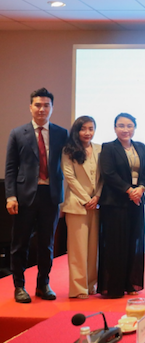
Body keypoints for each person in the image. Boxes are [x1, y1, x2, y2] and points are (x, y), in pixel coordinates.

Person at [5, 88, 68, 303]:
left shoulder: (61, 133)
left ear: (52, 108)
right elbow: (11, 168)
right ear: (30, 107)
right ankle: (19, 286)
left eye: (46, 105)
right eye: (38, 105)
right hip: (24, 197)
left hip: (50, 195)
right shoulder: (17, 133)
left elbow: (72, 161)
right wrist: (10, 196)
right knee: (20, 243)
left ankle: (43, 284)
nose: (42, 109)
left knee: (47, 244)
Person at [98, 113, 145, 298]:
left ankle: (130, 282)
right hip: (115, 203)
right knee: (115, 245)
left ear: (134, 128)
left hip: (136, 202)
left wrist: (141, 188)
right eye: (121, 126)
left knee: (133, 242)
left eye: (129, 126)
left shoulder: (140, 147)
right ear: (115, 128)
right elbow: (109, 174)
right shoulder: (108, 147)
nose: (125, 129)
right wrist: (129, 190)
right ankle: (114, 286)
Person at [61, 116, 102, 299]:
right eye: (83, 129)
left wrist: (97, 196)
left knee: (93, 249)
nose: (87, 133)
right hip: (77, 204)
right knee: (78, 249)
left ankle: (91, 284)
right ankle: (78, 288)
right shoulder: (68, 150)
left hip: (96, 204)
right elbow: (70, 177)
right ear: (76, 131)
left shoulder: (100, 149)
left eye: (91, 129)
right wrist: (86, 199)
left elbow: (103, 177)